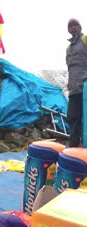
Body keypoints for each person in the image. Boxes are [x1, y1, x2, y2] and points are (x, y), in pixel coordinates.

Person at [66, 18, 87, 147]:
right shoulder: (68, 48)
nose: (73, 27)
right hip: (74, 88)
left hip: (85, 86)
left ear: (80, 27)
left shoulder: (85, 40)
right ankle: (73, 148)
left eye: (76, 25)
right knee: (72, 117)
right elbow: (71, 69)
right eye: (71, 26)